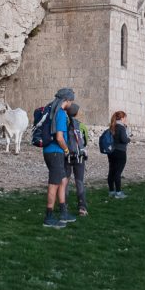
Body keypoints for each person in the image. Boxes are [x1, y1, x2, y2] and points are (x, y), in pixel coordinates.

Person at [42, 88, 78, 228]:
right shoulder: (61, 113)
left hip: (49, 151)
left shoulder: (51, 110)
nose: (71, 103)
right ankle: (49, 217)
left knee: (62, 181)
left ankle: (63, 212)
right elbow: (59, 138)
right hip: (56, 152)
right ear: (66, 100)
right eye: (71, 101)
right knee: (54, 183)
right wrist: (67, 150)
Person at [65, 102, 89, 216]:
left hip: (67, 157)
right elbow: (85, 141)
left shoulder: (64, 125)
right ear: (77, 113)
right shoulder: (81, 126)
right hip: (79, 157)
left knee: (65, 182)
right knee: (79, 182)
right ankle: (82, 207)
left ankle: (64, 206)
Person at [107, 110, 130, 198]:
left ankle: (111, 191)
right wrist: (129, 139)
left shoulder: (112, 126)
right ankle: (118, 193)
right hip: (120, 152)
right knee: (117, 173)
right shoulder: (121, 127)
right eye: (125, 118)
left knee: (111, 171)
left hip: (111, 152)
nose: (126, 120)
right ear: (122, 118)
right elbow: (124, 140)